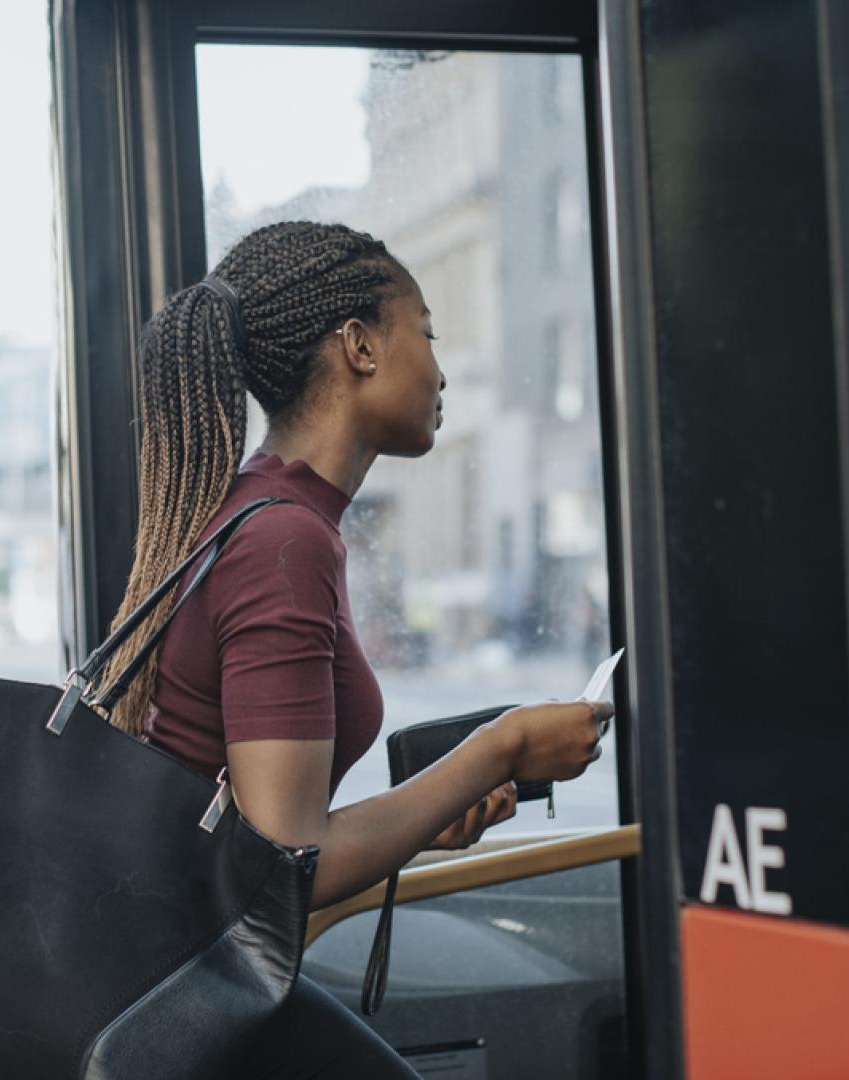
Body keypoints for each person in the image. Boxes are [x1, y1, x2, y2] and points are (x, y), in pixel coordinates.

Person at [96, 221, 608, 1077]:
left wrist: (417, 823)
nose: (442, 369)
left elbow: (268, 844)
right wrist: (503, 746)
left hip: (177, 978)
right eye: (429, 332)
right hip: (185, 1000)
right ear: (361, 347)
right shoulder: (284, 541)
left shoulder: (263, 513)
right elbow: (284, 863)